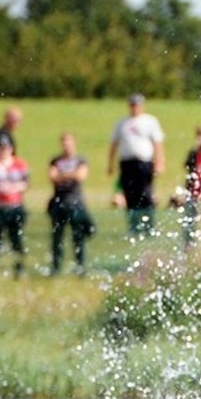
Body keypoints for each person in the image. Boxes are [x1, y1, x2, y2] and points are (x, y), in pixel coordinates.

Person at [107, 93, 166, 241]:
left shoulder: (150, 121)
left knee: (145, 194)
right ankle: (134, 227)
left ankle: (148, 227)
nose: (135, 107)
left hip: (144, 162)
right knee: (130, 195)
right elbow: (114, 144)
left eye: (137, 104)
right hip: (127, 163)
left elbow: (157, 142)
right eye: (133, 104)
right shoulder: (122, 123)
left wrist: (159, 161)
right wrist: (110, 163)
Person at [47, 132, 94, 275]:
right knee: (57, 237)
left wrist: (62, 175)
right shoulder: (55, 160)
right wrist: (70, 175)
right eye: (64, 143)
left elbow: (80, 176)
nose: (66, 146)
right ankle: (56, 266)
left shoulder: (80, 160)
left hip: (75, 203)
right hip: (58, 202)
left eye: (69, 143)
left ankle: (80, 266)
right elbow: (52, 176)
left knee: (78, 236)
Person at [0, 132, 28, 275]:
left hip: (14, 206)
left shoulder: (19, 164)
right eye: (0, 147)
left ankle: (19, 265)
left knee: (16, 237)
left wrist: (13, 188)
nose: (3, 150)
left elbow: (26, 183)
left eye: (6, 147)